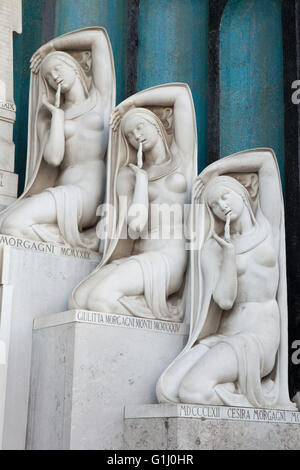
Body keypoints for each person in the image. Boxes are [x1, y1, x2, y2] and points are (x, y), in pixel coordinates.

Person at [156, 149, 295, 409]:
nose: (222, 207)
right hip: (224, 336)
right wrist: (228, 255)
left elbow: (266, 162)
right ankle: (238, 387)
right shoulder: (213, 248)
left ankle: (254, 391)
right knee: (166, 390)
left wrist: (214, 171)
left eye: (224, 197)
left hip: (258, 338)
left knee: (192, 392)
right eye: (214, 206)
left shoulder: (268, 226)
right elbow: (225, 300)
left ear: (242, 194)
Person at [69, 83, 197, 321]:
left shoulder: (182, 159)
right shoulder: (128, 176)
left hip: (168, 259)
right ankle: (146, 305)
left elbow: (180, 96)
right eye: (129, 134)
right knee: (77, 300)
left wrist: (131, 104)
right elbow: (136, 226)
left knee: (98, 300)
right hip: (138, 255)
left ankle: (165, 311)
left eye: (140, 127)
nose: (136, 135)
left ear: (158, 127)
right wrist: (141, 180)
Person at [0, 27, 115, 250]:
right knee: (5, 224)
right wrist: (57, 117)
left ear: (75, 67)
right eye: (49, 77)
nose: (55, 77)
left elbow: (98, 38)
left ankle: (79, 238)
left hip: (87, 195)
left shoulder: (100, 100)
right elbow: (54, 158)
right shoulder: (51, 118)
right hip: (63, 191)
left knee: (12, 224)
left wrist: (51, 48)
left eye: (58, 69)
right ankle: (80, 240)